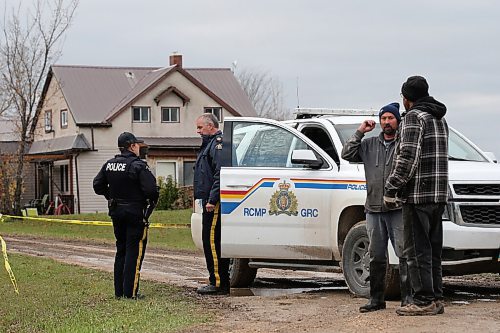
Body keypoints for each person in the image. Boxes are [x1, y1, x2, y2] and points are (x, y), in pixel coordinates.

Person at [384, 76, 448, 316]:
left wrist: (391, 187)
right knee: (432, 251)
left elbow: (408, 158)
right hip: (438, 195)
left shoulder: (413, 118)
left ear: (407, 98)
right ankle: (437, 298)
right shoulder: (439, 119)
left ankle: (423, 300)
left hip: (417, 195)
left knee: (416, 250)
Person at [341, 102, 412, 313]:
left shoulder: (404, 144)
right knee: (376, 255)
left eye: (391, 118)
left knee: (404, 253)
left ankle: (408, 299)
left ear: (398, 121)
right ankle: (376, 300)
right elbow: (346, 153)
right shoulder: (369, 144)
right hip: (373, 208)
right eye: (384, 119)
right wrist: (360, 131)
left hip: (397, 208)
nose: (387, 122)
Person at [93, 132, 159, 299]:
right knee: (133, 252)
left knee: (121, 250)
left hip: (117, 212)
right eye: (137, 145)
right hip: (135, 212)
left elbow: (97, 185)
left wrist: (111, 196)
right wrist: (149, 201)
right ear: (132, 146)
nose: (138, 147)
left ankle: (119, 292)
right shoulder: (138, 165)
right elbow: (151, 190)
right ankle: (130, 293)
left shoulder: (109, 164)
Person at [194, 113, 230, 295]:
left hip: (213, 202)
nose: (198, 131)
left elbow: (219, 174)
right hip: (208, 200)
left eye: (200, 127)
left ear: (210, 126)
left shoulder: (217, 145)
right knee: (209, 241)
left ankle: (217, 282)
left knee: (212, 242)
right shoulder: (208, 145)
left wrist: (212, 199)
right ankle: (216, 279)